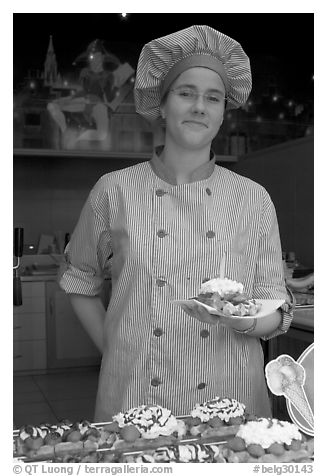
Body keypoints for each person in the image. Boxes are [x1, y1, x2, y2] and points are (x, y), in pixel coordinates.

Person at [59, 25, 294, 422]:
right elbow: (80, 279)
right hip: (135, 390)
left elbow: (275, 303)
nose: (200, 106)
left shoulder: (253, 198)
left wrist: (246, 320)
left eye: (213, 98)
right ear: (162, 105)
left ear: (223, 112)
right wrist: (116, 349)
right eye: (186, 93)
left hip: (231, 390)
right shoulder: (114, 190)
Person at [47, 39, 120, 147]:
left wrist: (114, 88)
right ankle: (65, 131)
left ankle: (78, 137)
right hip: (83, 101)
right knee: (51, 105)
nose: (95, 60)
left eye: (98, 56)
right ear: (90, 58)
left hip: (98, 105)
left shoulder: (108, 75)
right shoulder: (85, 73)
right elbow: (83, 91)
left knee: (102, 135)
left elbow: (109, 98)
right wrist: (68, 99)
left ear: (102, 58)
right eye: (92, 57)